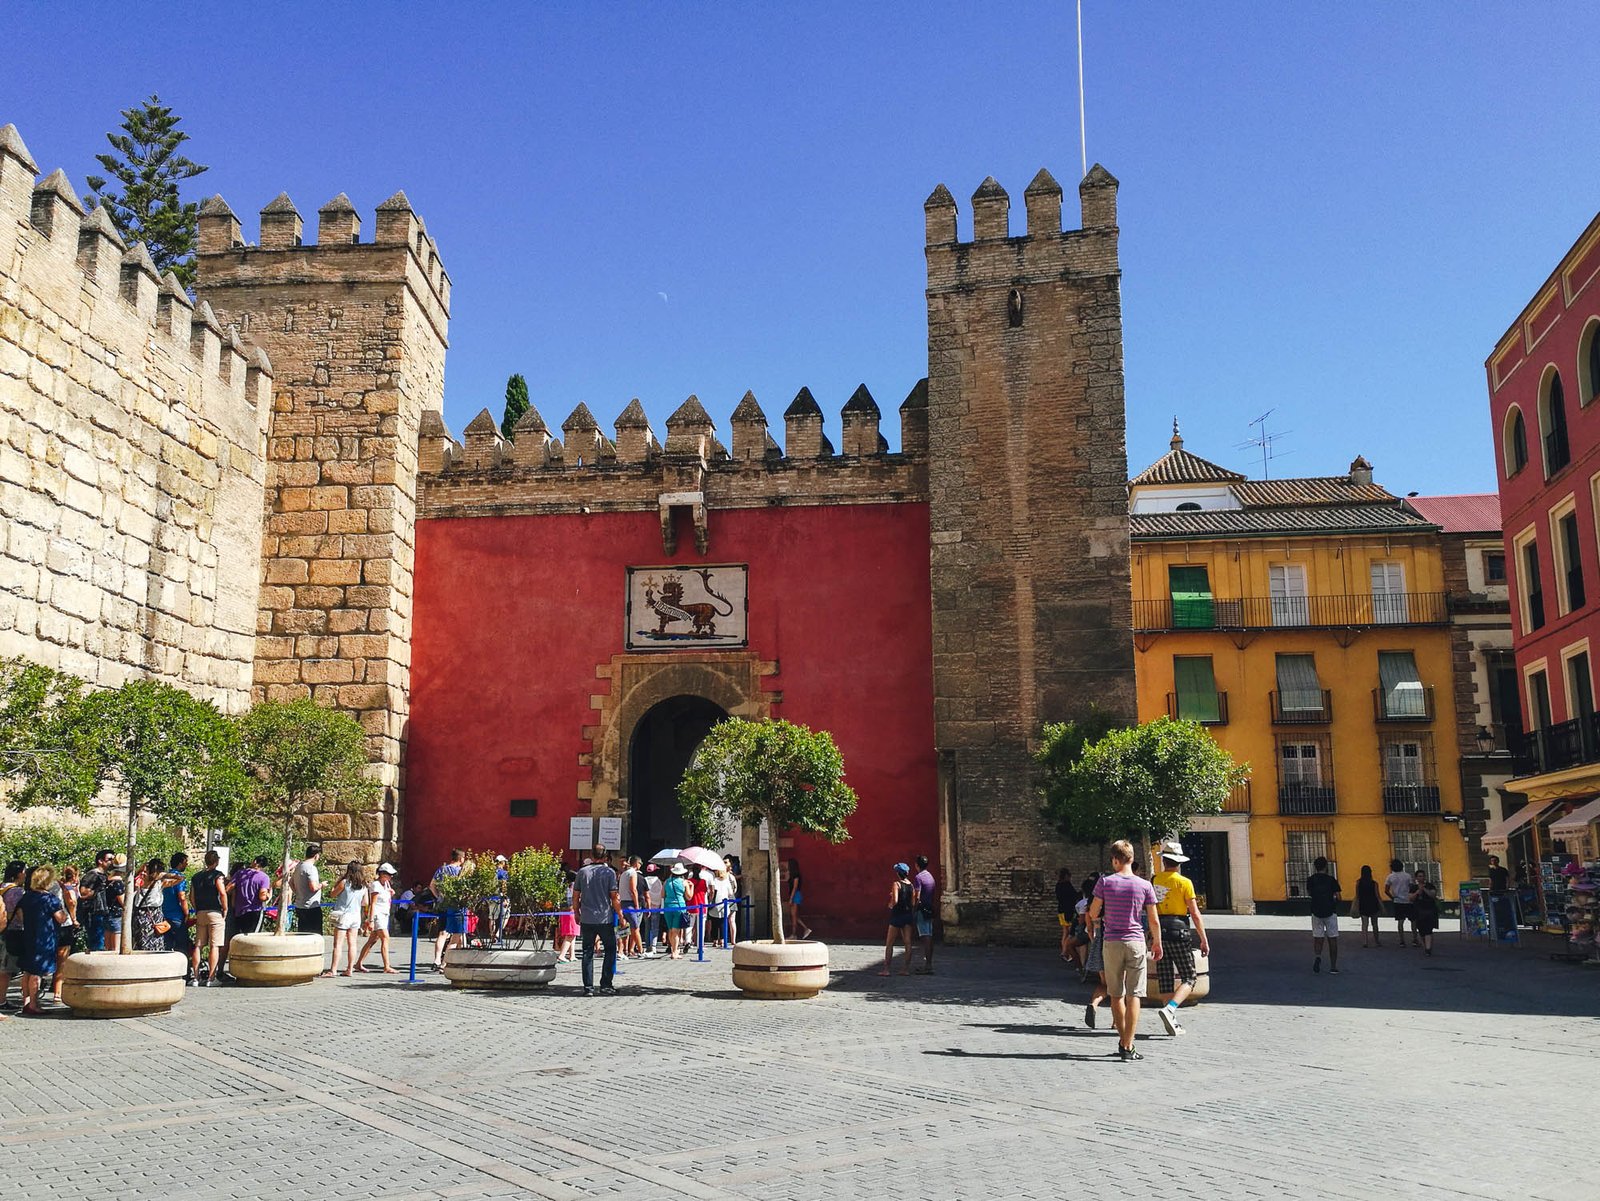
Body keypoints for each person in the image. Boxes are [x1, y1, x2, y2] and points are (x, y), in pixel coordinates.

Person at [1088, 840, 1163, 1062]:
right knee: (1135, 995)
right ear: (1131, 859)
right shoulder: (1145, 886)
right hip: (1136, 943)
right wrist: (1157, 943)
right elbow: (1153, 920)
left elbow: (1093, 912)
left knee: (1116, 994)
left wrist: (1102, 916)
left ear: (1115, 860)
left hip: (1112, 942)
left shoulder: (1105, 882)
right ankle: (1128, 1045)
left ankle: (1124, 1042)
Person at [1150, 839, 1210, 1035]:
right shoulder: (1185, 883)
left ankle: (1172, 1021)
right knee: (1189, 977)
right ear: (1179, 862)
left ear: (1164, 860)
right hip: (1179, 931)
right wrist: (1203, 938)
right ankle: (1171, 1008)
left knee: (1165, 978)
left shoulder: (1154, 880)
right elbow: (1194, 912)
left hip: (1159, 931)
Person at [14, 866, 71, 1016]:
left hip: (29, 936)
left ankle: (26, 1002)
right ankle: (33, 1004)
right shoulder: (50, 899)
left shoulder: (27, 897)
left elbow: (19, 915)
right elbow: (60, 918)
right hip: (45, 939)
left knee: (27, 970)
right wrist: (65, 911)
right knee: (36, 972)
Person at [574, 845, 621, 996]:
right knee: (610, 950)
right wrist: (620, 914)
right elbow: (614, 896)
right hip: (604, 917)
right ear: (605, 856)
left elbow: (576, 895)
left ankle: (588, 987)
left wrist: (576, 912)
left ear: (591, 855)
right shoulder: (609, 873)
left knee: (587, 952)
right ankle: (606, 984)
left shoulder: (582, 872)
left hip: (587, 917)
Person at [189, 850, 228, 986]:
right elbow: (222, 893)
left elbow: (191, 897)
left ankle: (195, 977)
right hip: (215, 912)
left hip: (201, 912)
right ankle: (211, 978)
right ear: (216, 861)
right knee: (214, 945)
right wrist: (225, 908)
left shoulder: (196, 877)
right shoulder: (218, 876)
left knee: (198, 945)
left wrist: (197, 908)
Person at [324, 861, 367, 977]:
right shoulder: (363, 886)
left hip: (343, 915)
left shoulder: (344, 883)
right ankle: (349, 969)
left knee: (338, 944)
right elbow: (365, 902)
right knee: (352, 944)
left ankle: (333, 970)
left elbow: (332, 894)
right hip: (355, 916)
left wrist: (333, 886)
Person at [1305, 855, 1343, 974]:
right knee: (1332, 939)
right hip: (1330, 911)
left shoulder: (1311, 880)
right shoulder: (1331, 880)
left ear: (1315, 867)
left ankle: (1318, 956)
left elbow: (1310, 893)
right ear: (1326, 866)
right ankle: (1333, 967)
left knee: (1318, 937)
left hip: (1316, 911)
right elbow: (1339, 896)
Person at [358, 863, 398, 973]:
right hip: (378, 915)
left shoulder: (386, 885)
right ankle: (387, 966)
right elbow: (373, 903)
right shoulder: (375, 885)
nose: (391, 876)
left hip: (384, 914)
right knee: (385, 937)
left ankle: (358, 963)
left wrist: (390, 893)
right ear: (382, 874)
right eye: (389, 874)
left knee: (372, 940)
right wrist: (370, 920)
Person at [430, 848, 465, 969]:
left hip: (443, 904)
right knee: (456, 933)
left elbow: (432, 885)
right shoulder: (461, 871)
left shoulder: (442, 869)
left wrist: (439, 897)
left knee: (442, 932)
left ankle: (436, 960)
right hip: (455, 905)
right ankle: (446, 962)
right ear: (461, 859)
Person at [880, 862, 916, 976]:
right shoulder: (911, 885)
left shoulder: (896, 884)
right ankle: (905, 969)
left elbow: (895, 900)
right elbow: (913, 902)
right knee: (908, 942)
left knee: (890, 943)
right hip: (908, 914)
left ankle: (886, 969)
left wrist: (890, 904)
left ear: (898, 873)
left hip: (897, 915)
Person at [162, 851, 194, 979]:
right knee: (182, 946)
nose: (187, 864)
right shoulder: (178, 877)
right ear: (181, 863)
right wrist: (186, 913)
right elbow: (181, 896)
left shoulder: (164, 876)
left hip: (164, 914)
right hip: (177, 915)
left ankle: (167, 971)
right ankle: (183, 973)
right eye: (186, 862)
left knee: (167, 945)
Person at [0, 861, 27, 1010]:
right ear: (19, 873)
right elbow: (19, 912)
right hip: (13, 930)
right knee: (7, 968)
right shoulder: (16, 891)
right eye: (24, 871)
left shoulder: (2, 887)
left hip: (2, 929)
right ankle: (2, 1000)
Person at [53, 865, 80, 1000]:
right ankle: (58, 991)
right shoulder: (64, 888)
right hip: (65, 923)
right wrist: (74, 918)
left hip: (50, 925)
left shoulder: (52, 886)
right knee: (62, 958)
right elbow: (72, 902)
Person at [80, 849, 114, 952]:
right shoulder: (93, 875)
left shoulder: (105, 875)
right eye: (109, 859)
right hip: (94, 912)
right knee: (97, 945)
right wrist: (98, 890)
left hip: (103, 912)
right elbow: (83, 892)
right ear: (100, 861)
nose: (112, 861)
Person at [134, 856, 169, 951]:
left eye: (146, 871)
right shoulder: (137, 883)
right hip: (143, 914)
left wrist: (162, 875)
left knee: (156, 939)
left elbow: (179, 878)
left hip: (155, 914)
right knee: (142, 939)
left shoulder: (158, 883)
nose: (144, 873)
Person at [292, 844, 324, 936]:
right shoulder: (311, 868)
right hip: (311, 906)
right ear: (316, 855)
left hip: (300, 905)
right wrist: (322, 885)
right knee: (315, 935)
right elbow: (313, 887)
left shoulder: (299, 866)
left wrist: (298, 892)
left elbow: (291, 882)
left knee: (302, 933)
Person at [912, 854, 937, 974]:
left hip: (922, 909)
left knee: (925, 936)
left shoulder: (918, 878)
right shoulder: (930, 876)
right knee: (929, 935)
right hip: (930, 908)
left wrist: (914, 910)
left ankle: (927, 965)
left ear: (917, 865)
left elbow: (917, 896)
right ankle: (929, 963)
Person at [1384, 859, 1416, 946]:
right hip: (1408, 900)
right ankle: (1415, 939)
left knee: (1400, 921)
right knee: (1413, 920)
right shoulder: (1407, 876)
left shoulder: (1390, 877)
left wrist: (1392, 898)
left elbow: (1386, 890)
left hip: (1398, 901)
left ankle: (1402, 941)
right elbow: (1412, 887)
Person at [663, 864, 691, 959]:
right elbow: (689, 896)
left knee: (671, 930)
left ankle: (673, 949)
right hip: (680, 907)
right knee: (676, 931)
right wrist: (692, 887)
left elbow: (663, 895)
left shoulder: (667, 882)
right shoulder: (684, 882)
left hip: (667, 907)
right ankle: (674, 952)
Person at [619, 855, 643, 957]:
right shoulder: (633, 873)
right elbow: (633, 889)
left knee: (623, 927)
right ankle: (641, 950)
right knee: (635, 928)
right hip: (630, 903)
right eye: (640, 863)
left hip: (622, 902)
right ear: (636, 863)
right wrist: (637, 904)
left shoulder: (624, 873)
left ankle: (622, 950)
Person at [1355, 865, 1383, 947]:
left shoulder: (1358, 882)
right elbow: (1377, 895)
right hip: (1373, 904)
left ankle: (1365, 942)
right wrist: (1381, 904)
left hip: (1363, 904)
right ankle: (1377, 941)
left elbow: (1357, 895)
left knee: (1364, 924)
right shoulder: (1374, 883)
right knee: (1375, 924)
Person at [1411, 874, 1440, 955]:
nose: (1421, 878)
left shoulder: (1430, 886)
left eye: (1422, 876)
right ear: (1416, 878)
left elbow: (1433, 895)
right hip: (1418, 911)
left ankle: (1428, 948)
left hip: (1429, 910)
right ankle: (1426, 947)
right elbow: (1410, 898)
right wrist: (1418, 891)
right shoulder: (1413, 887)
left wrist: (1424, 889)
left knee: (1428, 929)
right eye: (1419, 876)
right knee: (1421, 931)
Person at [1487, 854, 1514, 937]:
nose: (1493, 862)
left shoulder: (1503, 870)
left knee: (1502, 904)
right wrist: (1489, 888)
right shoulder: (1491, 871)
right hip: (1494, 889)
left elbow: (1507, 879)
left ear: (1498, 861)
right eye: (1492, 861)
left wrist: (1507, 887)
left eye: (1495, 861)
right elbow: (1490, 880)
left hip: (1502, 889)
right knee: (1495, 905)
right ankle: (1495, 921)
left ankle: (1503, 920)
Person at [1056, 868, 1080, 962]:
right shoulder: (1067, 885)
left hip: (1061, 910)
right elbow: (1074, 896)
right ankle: (1065, 952)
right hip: (1067, 911)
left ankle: (1064, 952)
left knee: (1065, 932)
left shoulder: (1058, 885)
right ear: (1066, 876)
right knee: (1070, 932)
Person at [556, 869, 579, 961]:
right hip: (572, 912)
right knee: (571, 934)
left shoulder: (564, 887)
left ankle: (572, 955)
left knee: (572, 934)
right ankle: (562, 955)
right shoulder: (573, 887)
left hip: (564, 912)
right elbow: (573, 901)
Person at [786, 859, 811, 940]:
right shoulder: (792, 874)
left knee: (793, 916)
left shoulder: (796, 875)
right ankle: (804, 929)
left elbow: (795, 887)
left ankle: (794, 934)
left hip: (795, 895)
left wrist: (791, 898)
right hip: (794, 895)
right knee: (794, 915)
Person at [641, 864, 663, 956]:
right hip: (656, 906)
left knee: (647, 926)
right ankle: (653, 946)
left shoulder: (644, 879)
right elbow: (660, 893)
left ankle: (647, 945)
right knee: (655, 927)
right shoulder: (658, 880)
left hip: (646, 906)